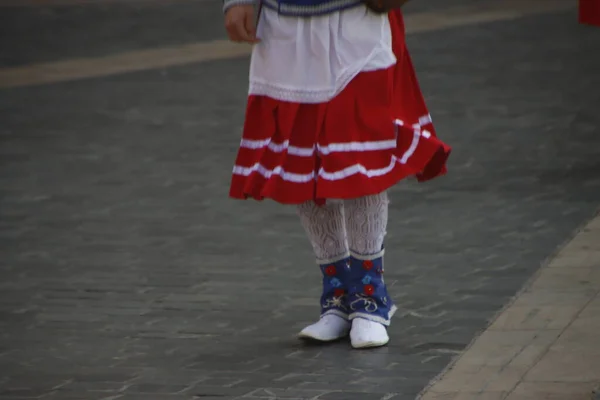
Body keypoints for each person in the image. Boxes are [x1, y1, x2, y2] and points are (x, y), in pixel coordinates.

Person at [223, 0, 451, 348]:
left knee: (361, 153)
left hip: (355, 17)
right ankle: (339, 294)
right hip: (284, 22)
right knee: (302, 156)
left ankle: (371, 299)